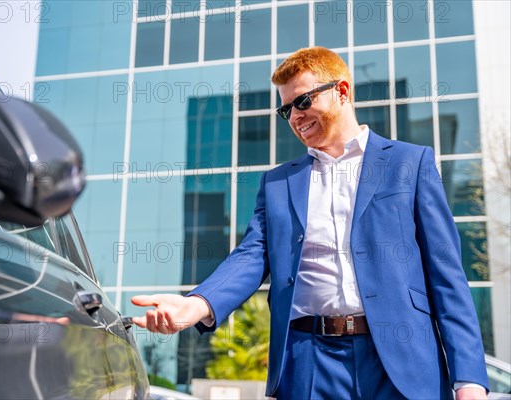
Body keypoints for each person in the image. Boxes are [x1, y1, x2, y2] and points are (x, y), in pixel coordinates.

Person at [131, 47, 489, 399]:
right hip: (309, 365)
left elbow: (447, 277)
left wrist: (469, 382)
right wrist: (195, 306)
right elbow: (250, 256)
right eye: (286, 109)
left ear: (342, 91)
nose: (295, 117)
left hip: (402, 362)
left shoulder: (410, 163)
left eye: (302, 102)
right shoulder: (277, 183)